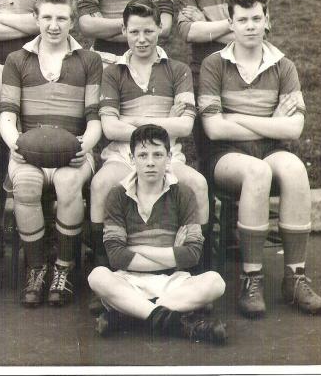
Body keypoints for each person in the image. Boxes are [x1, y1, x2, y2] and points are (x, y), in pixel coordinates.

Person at [199, 0, 321, 318]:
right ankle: (251, 277)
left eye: (257, 18)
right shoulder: (214, 65)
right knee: (257, 172)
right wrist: (268, 121)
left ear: (267, 19)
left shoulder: (284, 66)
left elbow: (293, 130)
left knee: (295, 169)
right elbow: (214, 129)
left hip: (272, 150)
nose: (250, 26)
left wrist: (236, 117)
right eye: (242, 20)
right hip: (226, 155)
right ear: (230, 22)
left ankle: (295, 278)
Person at [90, 0, 209, 313]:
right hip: (122, 155)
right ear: (123, 31)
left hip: (166, 156)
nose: (141, 39)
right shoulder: (114, 73)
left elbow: (184, 124)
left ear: (160, 30)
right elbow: (110, 127)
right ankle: (108, 270)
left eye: (148, 31)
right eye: (134, 32)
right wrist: (159, 124)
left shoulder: (178, 70)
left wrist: (133, 124)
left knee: (197, 184)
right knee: (102, 185)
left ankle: (194, 271)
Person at [0, 0, 102, 307]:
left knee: (70, 183)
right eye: (47, 17)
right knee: (26, 185)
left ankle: (64, 268)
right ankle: (36, 267)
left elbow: (95, 117)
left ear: (72, 21)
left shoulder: (90, 60)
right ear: (35, 18)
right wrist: (15, 144)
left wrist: (86, 145)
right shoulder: (17, 60)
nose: (53, 25)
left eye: (61, 18)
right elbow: (7, 115)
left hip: (71, 151)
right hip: (29, 149)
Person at [87, 125, 228, 344]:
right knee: (97, 276)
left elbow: (192, 255)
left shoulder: (183, 193)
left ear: (169, 157)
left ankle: (128, 315)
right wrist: (171, 252)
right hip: (130, 280)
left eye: (158, 154)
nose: (150, 162)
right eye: (142, 155)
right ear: (132, 159)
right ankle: (176, 321)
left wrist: (136, 249)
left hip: (172, 280)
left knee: (216, 282)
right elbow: (116, 257)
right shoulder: (117, 195)